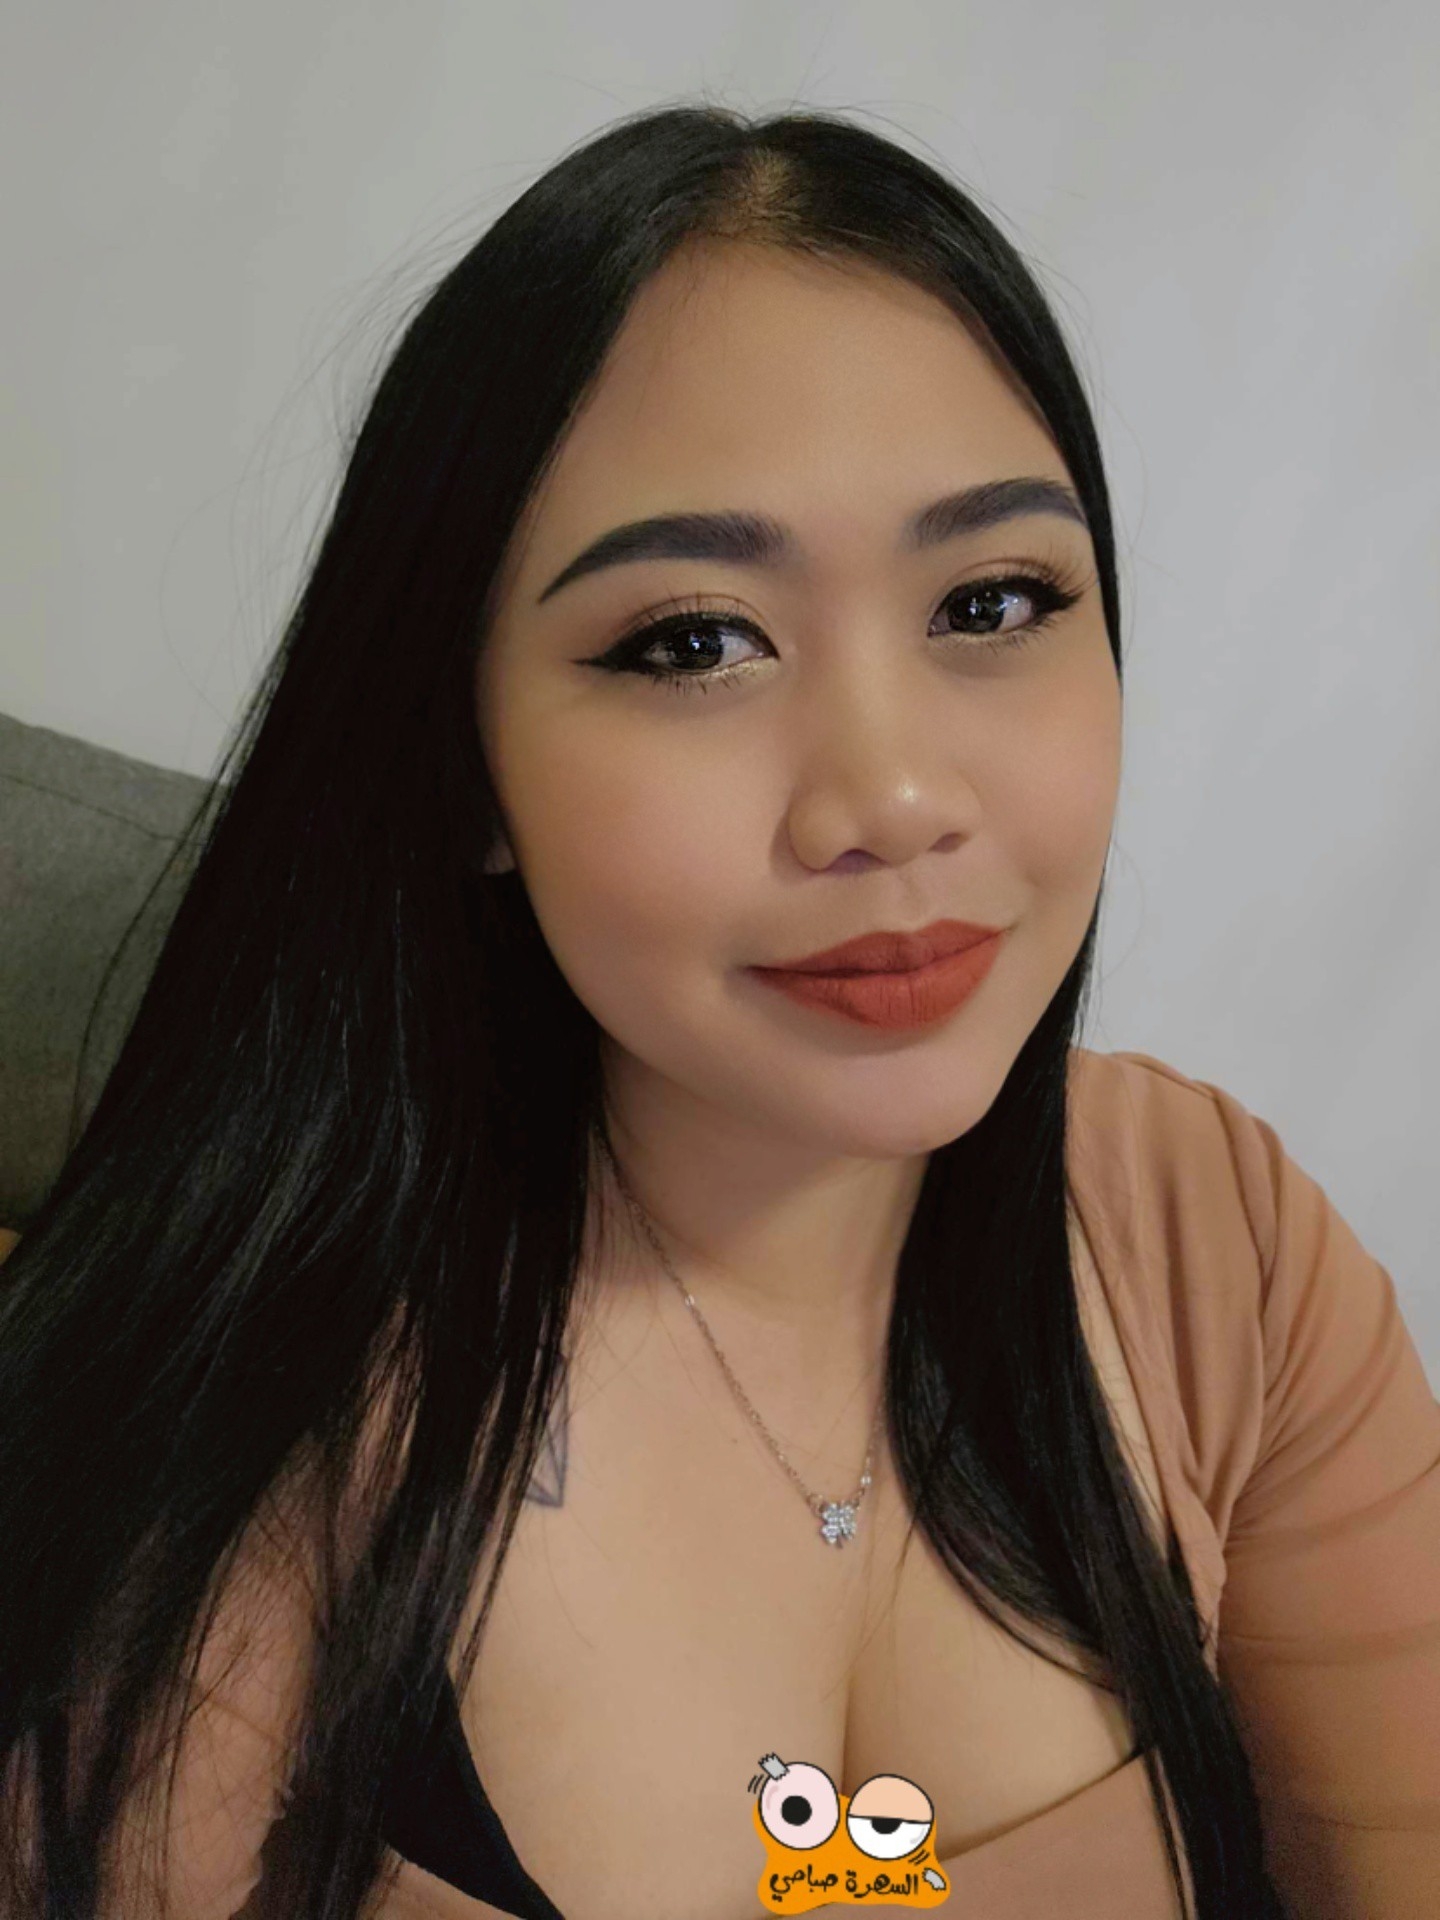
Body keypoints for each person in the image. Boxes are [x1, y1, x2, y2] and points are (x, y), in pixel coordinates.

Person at [1, 103, 1435, 1920]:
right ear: (461, 761)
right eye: (694, 641)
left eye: (993, 600)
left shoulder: (1214, 1238)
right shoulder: (260, 1395)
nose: (893, 798)